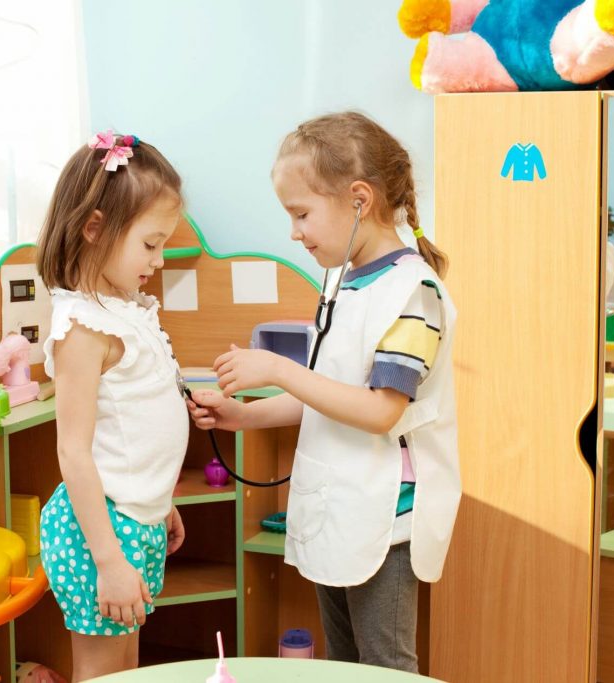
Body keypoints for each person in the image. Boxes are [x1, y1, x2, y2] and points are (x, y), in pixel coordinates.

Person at [187, 112, 460, 672]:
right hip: (339, 507)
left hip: (385, 520)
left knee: (383, 665)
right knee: (341, 664)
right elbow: (329, 393)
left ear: (359, 199)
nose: (295, 232)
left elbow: (382, 410)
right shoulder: (345, 282)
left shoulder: (413, 292)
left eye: (302, 213)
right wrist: (243, 415)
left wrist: (279, 370)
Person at [35, 130, 189, 682]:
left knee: (128, 671)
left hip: (132, 522)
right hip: (98, 535)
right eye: (150, 244)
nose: (161, 259)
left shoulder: (126, 311)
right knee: (104, 675)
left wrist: (158, 500)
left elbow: (130, 434)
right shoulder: (82, 327)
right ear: (95, 228)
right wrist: (107, 559)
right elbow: (74, 453)